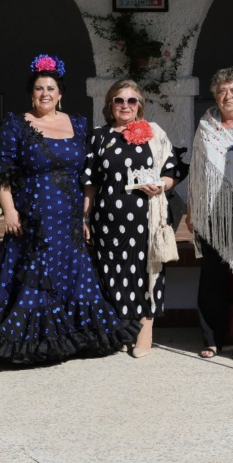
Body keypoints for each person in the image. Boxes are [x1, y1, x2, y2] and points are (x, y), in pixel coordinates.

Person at [0, 55, 140, 363]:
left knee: (75, 276)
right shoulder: (16, 125)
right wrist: (9, 211)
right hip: (35, 217)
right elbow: (3, 171)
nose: (44, 93)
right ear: (31, 93)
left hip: (70, 219)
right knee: (37, 276)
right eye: (38, 88)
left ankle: (72, 337)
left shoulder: (80, 124)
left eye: (50, 88)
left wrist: (86, 215)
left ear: (60, 93)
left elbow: (91, 171)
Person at [84, 80, 186, 358]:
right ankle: (122, 329)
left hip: (146, 217)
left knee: (145, 271)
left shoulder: (154, 133)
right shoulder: (98, 136)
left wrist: (163, 185)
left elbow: (173, 169)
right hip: (107, 218)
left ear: (139, 105)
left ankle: (145, 328)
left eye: (132, 101)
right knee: (112, 273)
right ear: (110, 104)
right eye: (119, 100)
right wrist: (84, 216)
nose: (125, 106)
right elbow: (90, 180)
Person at [187, 67, 233, 361]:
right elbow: (196, 171)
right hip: (212, 215)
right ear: (215, 95)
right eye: (222, 90)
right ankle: (212, 338)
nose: (227, 95)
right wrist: (193, 209)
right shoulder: (205, 126)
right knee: (212, 277)